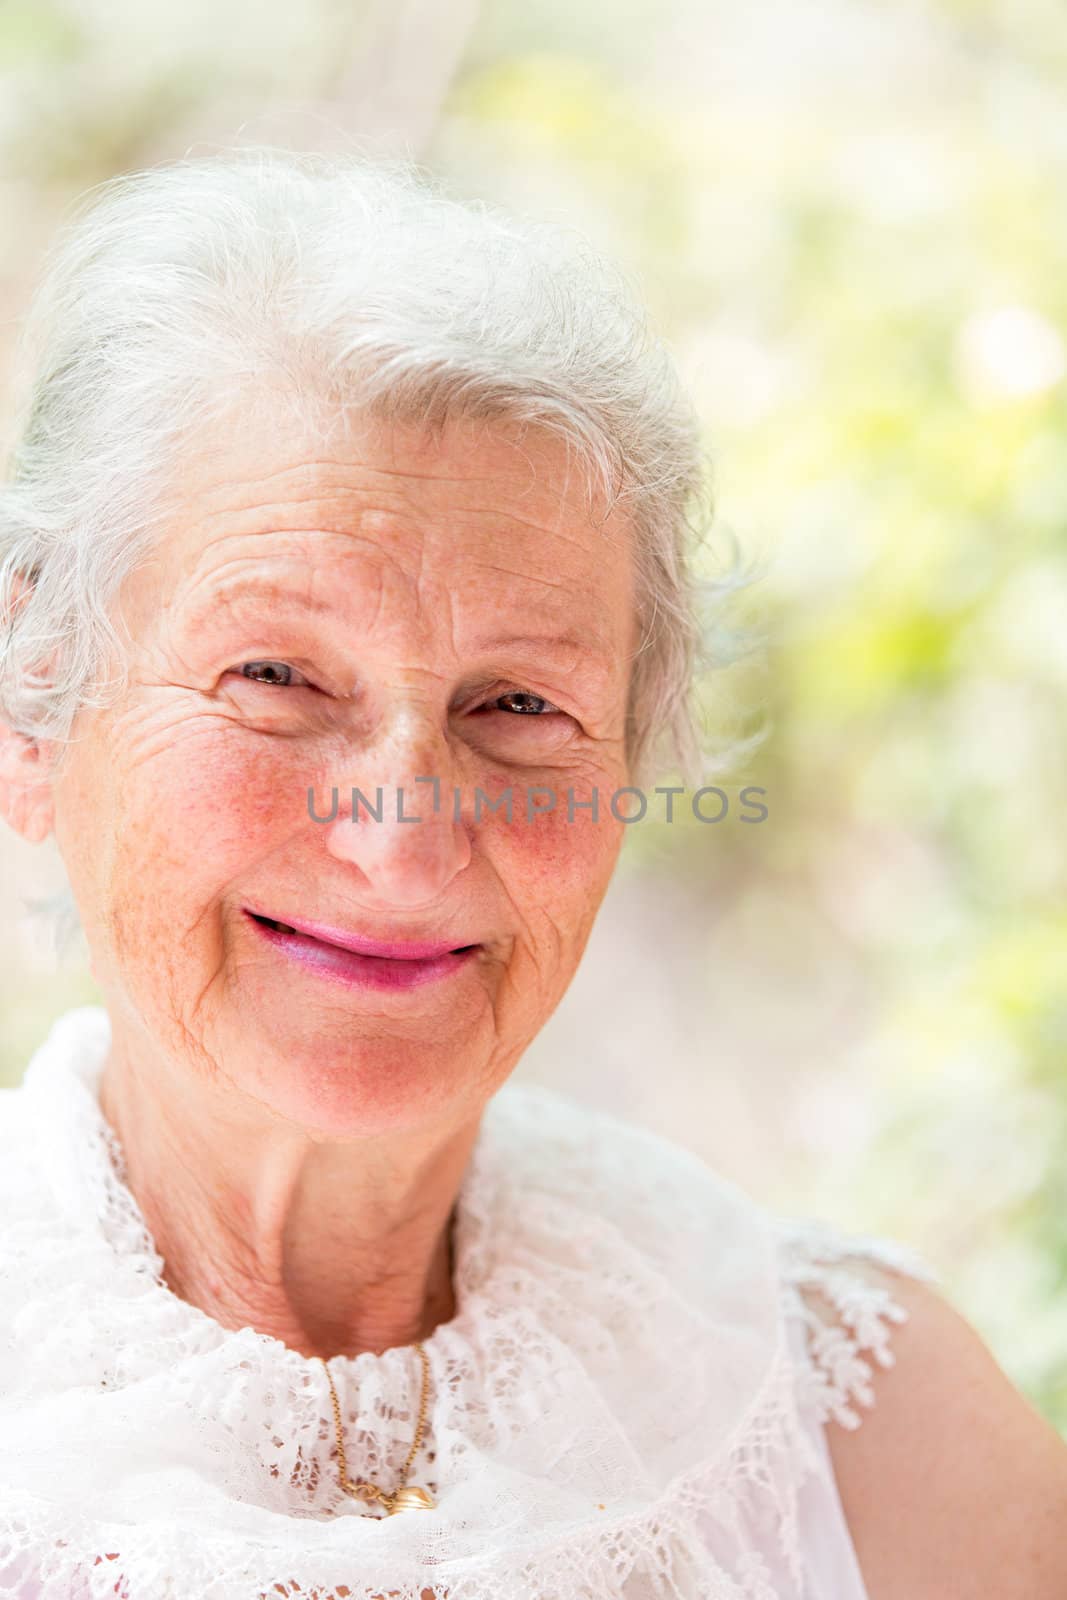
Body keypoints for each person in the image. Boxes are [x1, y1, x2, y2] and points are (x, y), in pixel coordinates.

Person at [0, 148, 1063, 1600]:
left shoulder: (860, 1432)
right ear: (36, 712)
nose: (400, 834)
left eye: (518, 707)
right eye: (273, 675)